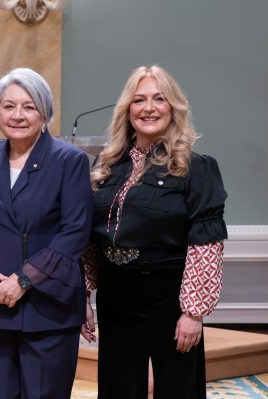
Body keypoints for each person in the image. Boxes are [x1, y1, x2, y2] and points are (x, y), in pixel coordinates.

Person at [81, 65, 227, 399]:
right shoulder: (106, 166)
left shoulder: (196, 167)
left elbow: (206, 245)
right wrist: (83, 295)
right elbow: (90, 238)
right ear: (127, 110)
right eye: (139, 100)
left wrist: (193, 313)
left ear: (174, 107)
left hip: (168, 298)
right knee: (118, 389)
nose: (149, 108)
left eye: (159, 99)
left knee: (175, 389)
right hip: (115, 297)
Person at [0, 68, 93, 398]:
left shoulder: (68, 160)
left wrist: (23, 280)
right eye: (8, 106)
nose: (17, 115)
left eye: (28, 106)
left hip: (48, 305)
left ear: (44, 112)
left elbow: (74, 232)